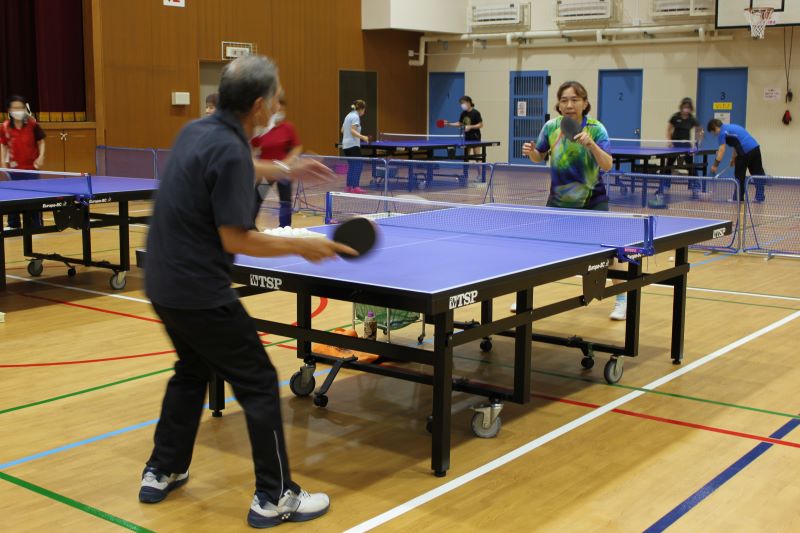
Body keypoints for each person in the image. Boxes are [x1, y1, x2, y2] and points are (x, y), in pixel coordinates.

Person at [139, 55, 354, 529]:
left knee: (191, 370)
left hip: (161, 283)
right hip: (200, 289)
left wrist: (283, 170)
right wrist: (303, 245)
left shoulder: (197, 131)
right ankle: (275, 497)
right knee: (257, 382)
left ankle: (163, 468)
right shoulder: (231, 149)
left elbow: (227, 169)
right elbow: (236, 239)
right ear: (259, 106)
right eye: (274, 97)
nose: (277, 105)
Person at [520, 81, 627, 321]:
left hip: (592, 202)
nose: (569, 105)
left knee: (608, 254)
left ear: (585, 103)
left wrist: (591, 145)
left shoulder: (597, 129)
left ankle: (622, 300)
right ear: (559, 104)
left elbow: (607, 165)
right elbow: (539, 156)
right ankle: (525, 301)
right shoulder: (551, 127)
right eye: (564, 100)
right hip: (558, 203)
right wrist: (531, 152)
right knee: (539, 251)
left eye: (575, 100)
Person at [251, 92, 301, 227]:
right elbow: (253, 144)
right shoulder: (265, 129)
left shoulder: (288, 127)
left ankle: (285, 228)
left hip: (283, 172)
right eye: (275, 106)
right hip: (267, 172)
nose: (278, 108)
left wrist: (287, 163)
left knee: (285, 202)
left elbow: (297, 147)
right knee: (257, 199)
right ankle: (249, 226)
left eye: (281, 105)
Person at [0, 95, 46, 230]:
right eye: (15, 108)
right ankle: (13, 224)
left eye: (20, 107)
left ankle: (35, 225)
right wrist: (3, 162)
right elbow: (3, 145)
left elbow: (41, 141)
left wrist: (41, 157)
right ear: (9, 110)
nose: (18, 110)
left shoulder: (32, 124)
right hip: (13, 170)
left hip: (31, 169)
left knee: (33, 197)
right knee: (13, 197)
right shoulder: (5, 126)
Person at [707, 119, 766, 202]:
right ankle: (760, 197)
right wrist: (733, 159)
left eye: (713, 132)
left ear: (715, 128)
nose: (714, 134)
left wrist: (715, 166)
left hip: (744, 151)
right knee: (757, 173)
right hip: (755, 148)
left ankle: (738, 198)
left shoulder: (722, 132)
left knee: (739, 176)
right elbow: (736, 144)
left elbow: (721, 150)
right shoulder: (731, 127)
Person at [340, 99, 369, 193]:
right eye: (364, 110)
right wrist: (363, 137)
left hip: (346, 145)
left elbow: (342, 130)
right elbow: (352, 131)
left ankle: (349, 187)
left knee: (352, 166)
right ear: (361, 109)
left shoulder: (348, 115)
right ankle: (356, 187)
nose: (364, 112)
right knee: (358, 165)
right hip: (353, 145)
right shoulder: (356, 116)